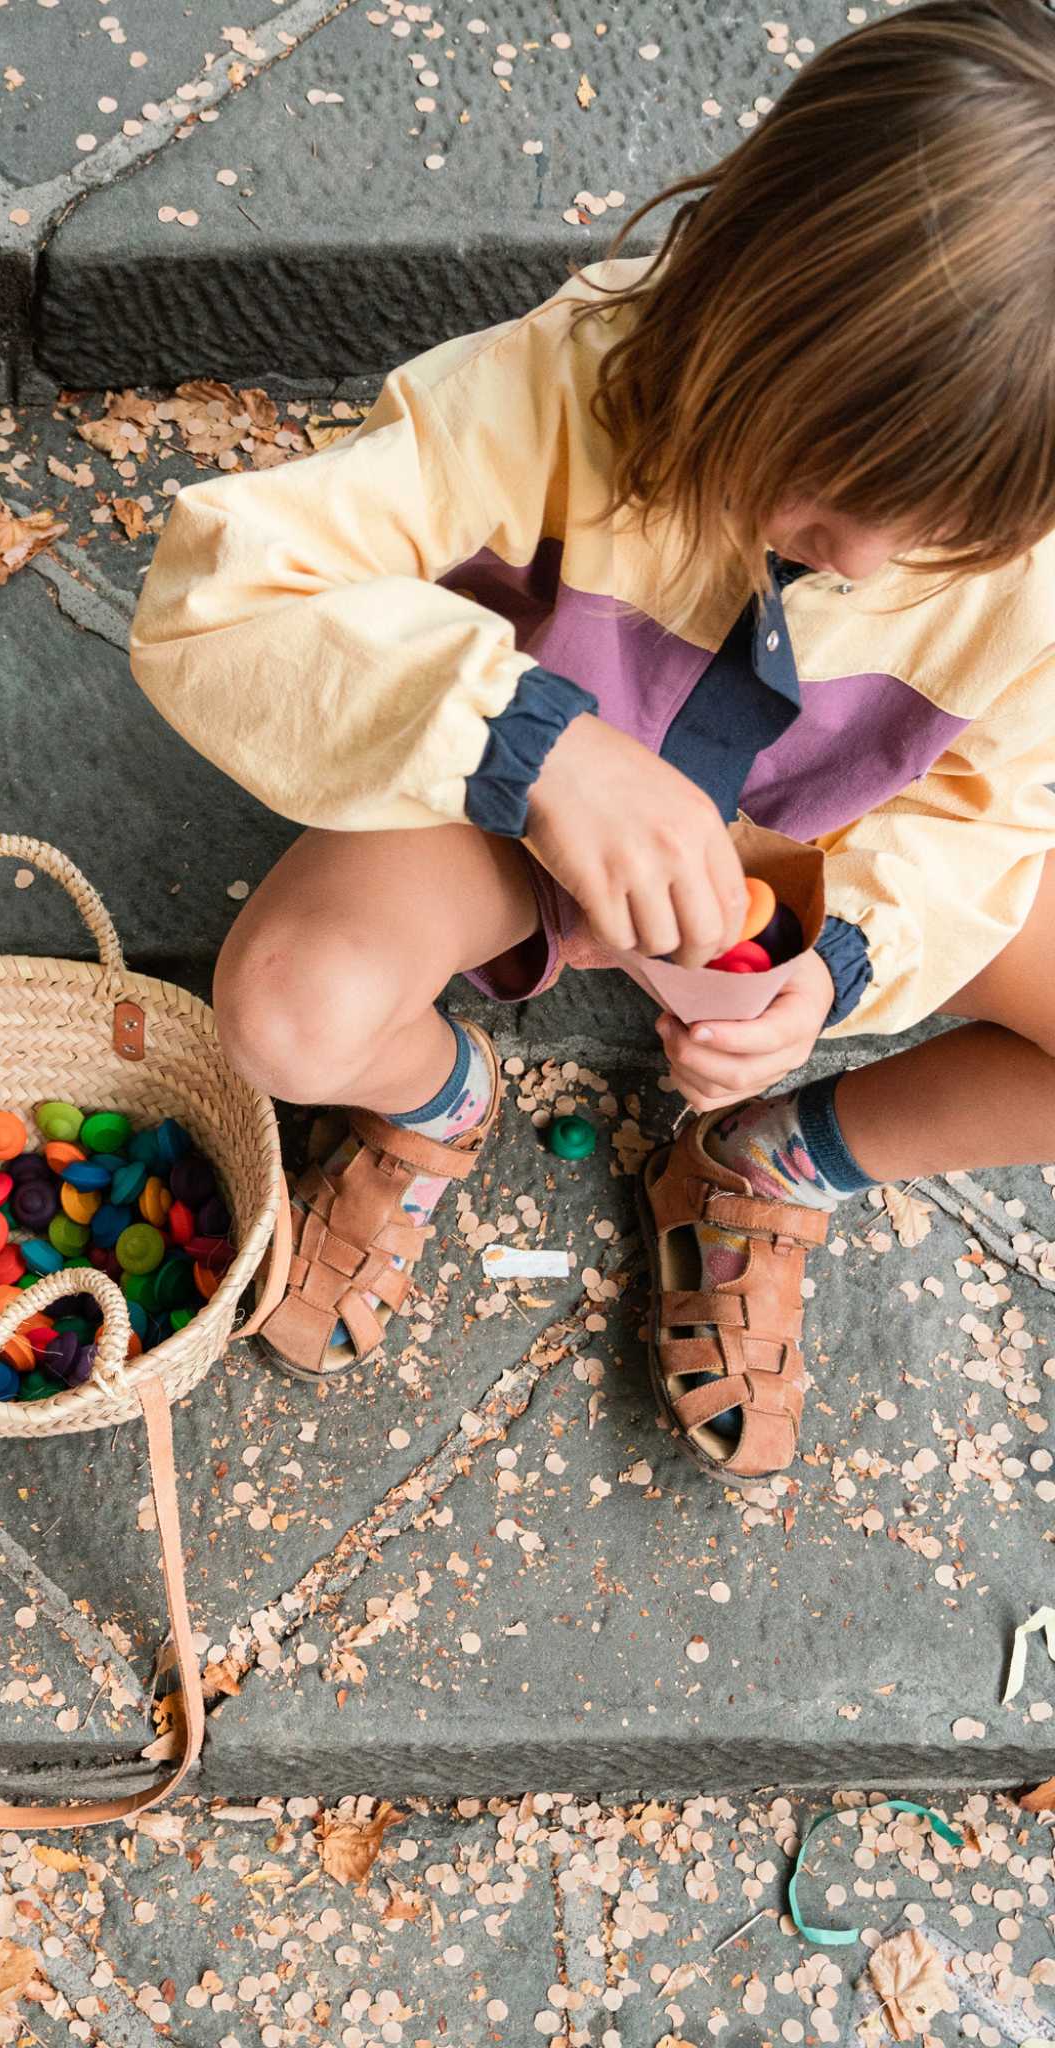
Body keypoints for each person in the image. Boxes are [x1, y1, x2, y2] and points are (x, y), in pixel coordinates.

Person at [130, 0, 1055, 1480]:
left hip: (819, 853)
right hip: (498, 830)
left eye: (946, 530)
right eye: (822, 488)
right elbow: (217, 590)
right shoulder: (551, 390)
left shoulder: (1029, 531)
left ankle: (769, 1159)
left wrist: (848, 960)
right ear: (741, 303)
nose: (871, 565)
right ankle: (436, 1096)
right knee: (286, 1013)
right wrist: (532, 745)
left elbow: (998, 811)